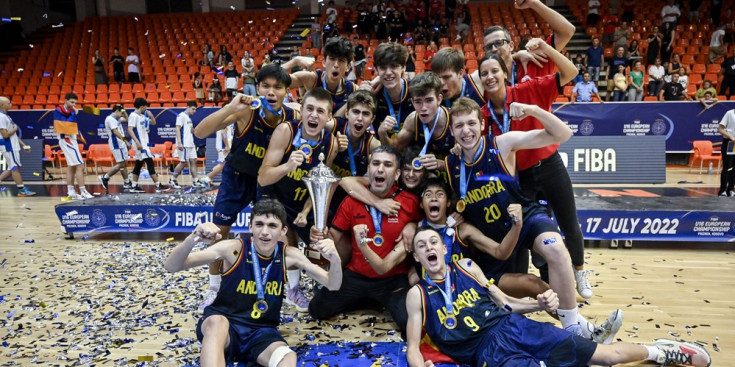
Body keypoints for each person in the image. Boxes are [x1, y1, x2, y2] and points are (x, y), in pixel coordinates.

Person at [405, 227, 712, 367]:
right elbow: (413, 348)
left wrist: (537, 305)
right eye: (422, 245)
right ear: (417, 254)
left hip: (513, 326)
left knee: (605, 356)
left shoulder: (468, 267)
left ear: (445, 249)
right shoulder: (417, 295)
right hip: (486, 353)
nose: (429, 247)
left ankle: (660, 352)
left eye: (434, 241)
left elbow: (506, 303)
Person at [448, 97, 622, 339]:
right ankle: (586, 331)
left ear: (482, 124)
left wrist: (533, 109)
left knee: (557, 250)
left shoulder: (502, 143)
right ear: (451, 130)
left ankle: (575, 329)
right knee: (534, 286)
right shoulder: (450, 163)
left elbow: (563, 134)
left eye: (471, 123)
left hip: (525, 219)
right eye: (459, 126)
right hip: (494, 242)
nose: (466, 131)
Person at [164, 199, 343, 367]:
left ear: (283, 231)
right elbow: (172, 267)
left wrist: (335, 259)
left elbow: (333, 285)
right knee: (217, 322)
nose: (265, 231)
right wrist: (193, 238)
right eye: (259, 224)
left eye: (272, 225)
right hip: (225, 326)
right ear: (250, 227)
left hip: (261, 331)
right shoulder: (232, 248)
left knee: (288, 357)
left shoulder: (289, 255)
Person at [480, 42, 593, 300]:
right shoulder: (483, 116)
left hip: (550, 165)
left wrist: (545, 47)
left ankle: (579, 271)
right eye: (484, 73)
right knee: (527, 231)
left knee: (569, 223)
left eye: (494, 71)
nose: (489, 77)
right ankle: (531, 289)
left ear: (505, 73)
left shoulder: (527, 89)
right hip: (522, 179)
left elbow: (571, 72)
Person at [194, 64, 299, 311]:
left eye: (278, 87)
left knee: (285, 230)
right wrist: (230, 107)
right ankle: (214, 288)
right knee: (218, 231)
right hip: (237, 177)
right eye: (266, 86)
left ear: (286, 92)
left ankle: (294, 287)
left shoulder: (294, 115)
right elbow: (199, 132)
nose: (271, 92)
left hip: (267, 179)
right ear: (257, 88)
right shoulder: (245, 112)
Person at [308, 145, 423, 334]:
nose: (380, 169)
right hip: (357, 276)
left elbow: (427, 227)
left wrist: (414, 226)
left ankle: (375, 298)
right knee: (317, 309)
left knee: (407, 322)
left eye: (387, 165)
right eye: (375, 164)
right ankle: (369, 298)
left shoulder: (410, 202)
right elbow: (334, 237)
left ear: (396, 174)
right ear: (369, 170)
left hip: (393, 279)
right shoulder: (352, 200)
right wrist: (320, 235)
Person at [258, 88, 338, 311]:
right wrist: (287, 166)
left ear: (329, 117)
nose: (314, 115)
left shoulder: (331, 144)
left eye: (320, 111)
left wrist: (305, 212)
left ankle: (322, 282)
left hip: (302, 201)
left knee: (324, 235)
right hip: (273, 196)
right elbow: (263, 178)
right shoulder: (286, 131)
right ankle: (293, 287)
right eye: (309, 109)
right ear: (301, 111)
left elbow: (319, 188)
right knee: (286, 241)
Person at [482, 0, 575, 85]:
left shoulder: (535, 60)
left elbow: (567, 31)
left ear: (511, 46)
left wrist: (533, 3)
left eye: (499, 43)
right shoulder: (486, 81)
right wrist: (516, 55)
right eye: (489, 47)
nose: (493, 49)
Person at [378, 72, 453, 174]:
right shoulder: (413, 120)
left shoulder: (455, 120)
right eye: (418, 102)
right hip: (424, 179)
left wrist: (442, 164)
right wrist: (382, 133)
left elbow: (471, 164)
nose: (423, 108)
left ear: (439, 99)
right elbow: (393, 151)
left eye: (429, 100)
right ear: (412, 102)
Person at [328, 90, 380, 211]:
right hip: (325, 193)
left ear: (372, 119)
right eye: (356, 112)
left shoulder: (373, 144)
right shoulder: (332, 127)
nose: (360, 118)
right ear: (347, 113)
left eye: (366, 114)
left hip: (351, 199)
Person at [285, 36, 355, 116]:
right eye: (332, 59)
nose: (336, 65)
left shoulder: (353, 89)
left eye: (341, 61)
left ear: (348, 67)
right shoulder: (311, 79)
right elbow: (273, 81)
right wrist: (294, 61)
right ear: (324, 62)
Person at [365, 42, 415, 134]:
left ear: (403, 67)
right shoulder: (372, 94)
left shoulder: (415, 91)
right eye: (383, 68)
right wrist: (362, 94)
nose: (388, 72)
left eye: (394, 66)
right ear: (376, 69)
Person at [54, 93, 91, 200]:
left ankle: (71, 191)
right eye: (72, 102)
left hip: (70, 139)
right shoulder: (59, 110)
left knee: (72, 166)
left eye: (75, 103)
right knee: (80, 166)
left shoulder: (69, 111)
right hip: (66, 139)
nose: (74, 105)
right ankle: (83, 191)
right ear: (65, 100)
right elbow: (65, 126)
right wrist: (74, 114)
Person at [126, 98, 167, 193]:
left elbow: (153, 122)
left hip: (144, 144)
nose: (146, 108)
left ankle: (134, 185)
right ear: (142, 106)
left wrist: (151, 116)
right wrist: (137, 142)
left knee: (139, 164)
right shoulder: (133, 116)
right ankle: (158, 185)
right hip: (140, 144)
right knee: (150, 163)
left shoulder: (142, 116)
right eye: (146, 106)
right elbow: (130, 130)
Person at [0, 96, 36, 197]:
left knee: (13, 167)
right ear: (2, 105)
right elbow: (6, 134)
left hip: (12, 145)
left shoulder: (6, 116)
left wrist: (24, 145)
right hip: (8, 146)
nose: (10, 104)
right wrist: (15, 128)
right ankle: (22, 190)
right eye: (8, 103)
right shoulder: (1, 117)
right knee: (15, 168)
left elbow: (13, 135)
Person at [98, 105, 132, 191]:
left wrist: (124, 112)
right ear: (116, 111)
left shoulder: (118, 119)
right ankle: (105, 177)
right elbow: (115, 132)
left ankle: (126, 182)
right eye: (121, 112)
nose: (122, 114)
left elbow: (127, 120)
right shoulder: (110, 119)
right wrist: (126, 141)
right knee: (121, 164)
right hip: (116, 144)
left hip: (121, 144)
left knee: (124, 163)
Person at [169, 101, 201, 189]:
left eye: (195, 109)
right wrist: (179, 142)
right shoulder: (181, 116)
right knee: (183, 163)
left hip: (191, 143)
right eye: (193, 109)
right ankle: (172, 179)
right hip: (184, 144)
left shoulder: (189, 118)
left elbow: (190, 131)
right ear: (188, 107)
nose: (194, 111)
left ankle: (195, 180)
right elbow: (177, 128)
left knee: (194, 161)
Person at [719, 109, 735, 197]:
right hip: (729, 142)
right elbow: (720, 129)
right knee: (727, 167)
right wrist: (730, 136)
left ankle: (731, 190)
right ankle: (722, 190)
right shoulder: (729, 113)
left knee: (734, 168)